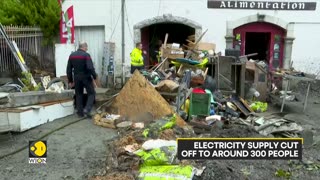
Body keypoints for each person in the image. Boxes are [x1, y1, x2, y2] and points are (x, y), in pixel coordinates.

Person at [66, 41, 97, 118]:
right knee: (91, 93)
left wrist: (70, 80)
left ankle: (80, 112)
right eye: (86, 47)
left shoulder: (72, 55)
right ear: (84, 47)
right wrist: (94, 76)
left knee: (79, 94)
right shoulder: (86, 55)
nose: (87, 49)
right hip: (86, 77)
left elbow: (69, 69)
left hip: (77, 78)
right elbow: (90, 67)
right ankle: (87, 109)